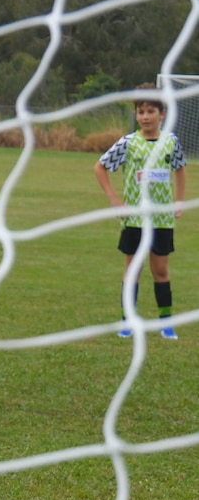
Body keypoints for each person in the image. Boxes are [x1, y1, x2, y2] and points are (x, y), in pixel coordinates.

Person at [94, 83, 187, 340]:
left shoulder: (171, 142)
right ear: (136, 115)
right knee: (132, 269)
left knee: (160, 270)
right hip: (134, 218)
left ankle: (166, 323)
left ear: (162, 114)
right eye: (140, 112)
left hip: (161, 219)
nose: (145, 117)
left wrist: (179, 201)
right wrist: (113, 199)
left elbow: (180, 169)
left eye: (150, 111)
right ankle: (128, 321)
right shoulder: (128, 143)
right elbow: (100, 167)